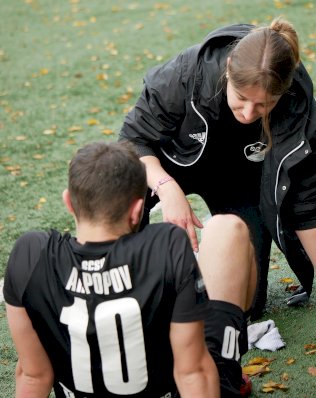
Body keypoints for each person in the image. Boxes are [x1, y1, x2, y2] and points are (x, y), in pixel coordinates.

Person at [119, 15, 316, 348]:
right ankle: (111, 277)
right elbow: (132, 140)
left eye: (264, 104)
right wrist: (166, 187)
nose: (248, 112)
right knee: (121, 187)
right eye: (241, 98)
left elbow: (306, 210)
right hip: (170, 166)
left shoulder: (302, 117)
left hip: (238, 179)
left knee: (246, 304)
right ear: (228, 71)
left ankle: (192, 277)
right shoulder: (186, 73)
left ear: (282, 94)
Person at [4, 141, 220, 398]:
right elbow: (192, 372)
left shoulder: (30, 254)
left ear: (68, 203)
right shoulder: (167, 245)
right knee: (226, 230)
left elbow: (33, 376)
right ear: (138, 211)